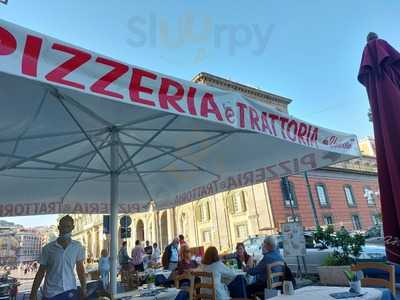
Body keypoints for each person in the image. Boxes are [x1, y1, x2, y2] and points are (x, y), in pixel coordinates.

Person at [30, 215, 86, 300]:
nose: (65, 229)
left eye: (68, 226)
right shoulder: (47, 248)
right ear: (59, 228)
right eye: (63, 226)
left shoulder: (77, 247)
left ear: (72, 228)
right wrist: (33, 293)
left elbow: (80, 269)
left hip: (70, 290)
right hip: (51, 293)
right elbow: (41, 272)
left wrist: (84, 288)